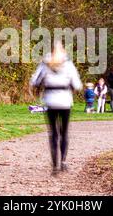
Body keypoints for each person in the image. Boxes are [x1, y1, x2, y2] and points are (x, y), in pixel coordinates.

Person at [30, 42, 82, 175]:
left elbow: (34, 81)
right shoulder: (68, 64)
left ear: (51, 51)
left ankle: (54, 166)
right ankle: (63, 162)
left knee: (53, 133)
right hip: (65, 101)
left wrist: (43, 84)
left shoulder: (44, 63)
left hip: (50, 101)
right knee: (64, 132)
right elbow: (77, 84)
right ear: (63, 51)